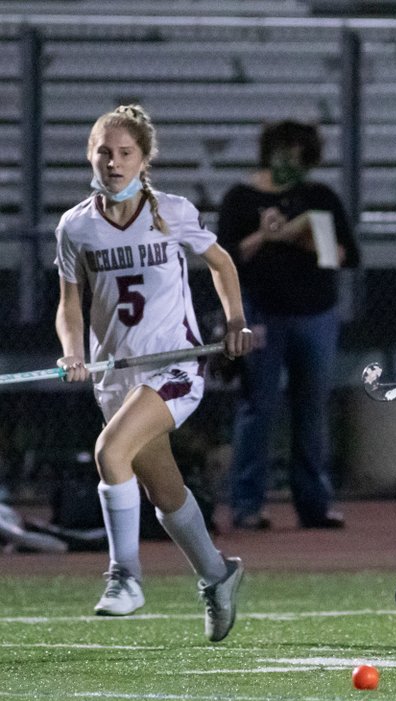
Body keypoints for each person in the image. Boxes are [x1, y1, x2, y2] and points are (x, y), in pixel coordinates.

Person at [54, 104, 252, 641]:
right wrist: (73, 350)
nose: (113, 164)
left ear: (143, 160)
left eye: (125, 154)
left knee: (109, 453)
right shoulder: (76, 227)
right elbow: (69, 305)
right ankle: (217, 574)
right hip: (116, 374)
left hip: (174, 365)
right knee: (164, 490)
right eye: (104, 152)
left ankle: (125, 577)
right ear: (90, 155)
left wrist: (235, 321)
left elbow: (223, 264)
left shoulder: (170, 211)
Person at [218, 121, 359, 531]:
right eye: (285, 153)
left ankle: (314, 504)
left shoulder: (319, 197)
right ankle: (247, 504)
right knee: (256, 407)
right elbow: (226, 256)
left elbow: (345, 255)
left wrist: (303, 238)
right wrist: (263, 235)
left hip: (315, 313)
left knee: (311, 410)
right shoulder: (241, 198)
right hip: (261, 313)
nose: (291, 164)